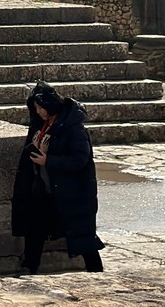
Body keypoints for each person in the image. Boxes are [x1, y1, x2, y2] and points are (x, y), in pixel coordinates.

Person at [11, 81, 105, 276]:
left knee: (82, 235)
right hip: (44, 189)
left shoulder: (74, 128)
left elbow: (80, 159)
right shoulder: (42, 125)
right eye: (35, 108)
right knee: (34, 229)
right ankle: (29, 267)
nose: (38, 112)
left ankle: (96, 271)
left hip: (71, 192)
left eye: (40, 107)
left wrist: (49, 160)